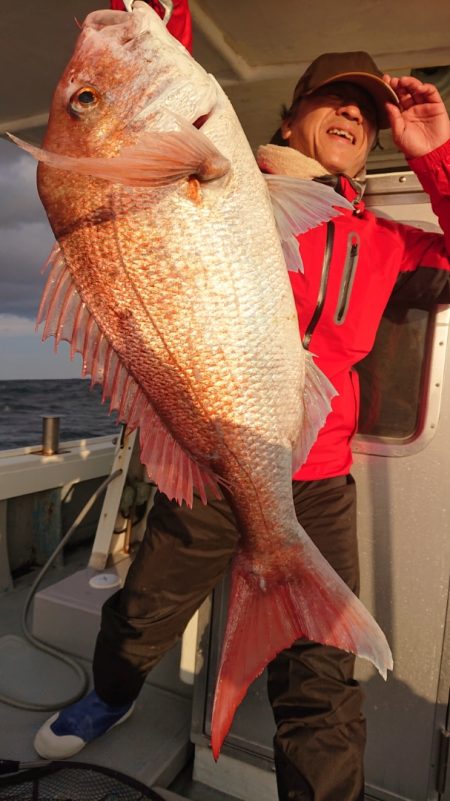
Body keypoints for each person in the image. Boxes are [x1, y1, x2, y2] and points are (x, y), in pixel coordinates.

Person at [33, 5, 450, 800]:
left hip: (319, 482)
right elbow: (149, 88)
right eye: (335, 98)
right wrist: (156, 20)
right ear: (291, 113)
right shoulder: (227, 181)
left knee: (323, 673)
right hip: (208, 459)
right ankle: (110, 695)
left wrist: (436, 155)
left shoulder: (390, 239)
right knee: (143, 608)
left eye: (369, 114)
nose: (354, 116)